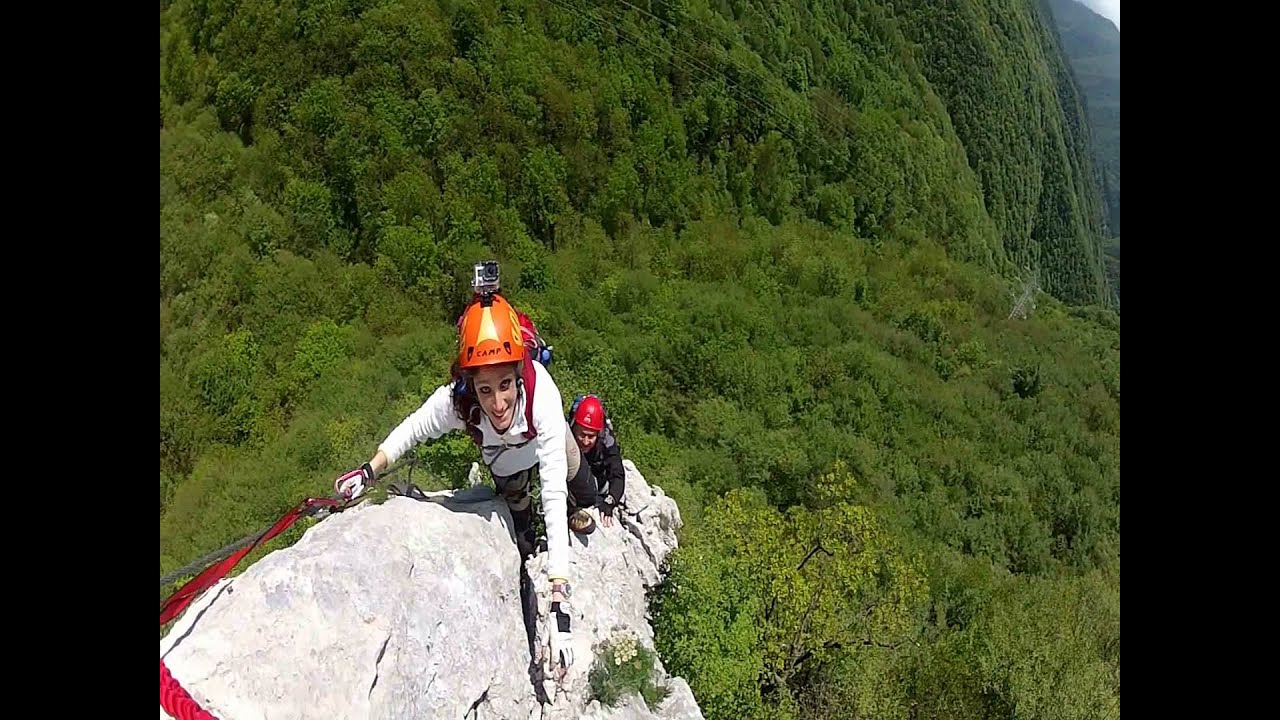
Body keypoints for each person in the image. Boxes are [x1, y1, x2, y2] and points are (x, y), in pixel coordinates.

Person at [332, 291, 595, 675]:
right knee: (520, 526)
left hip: (545, 442)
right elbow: (414, 428)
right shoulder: (460, 402)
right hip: (507, 464)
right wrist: (368, 470)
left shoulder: (543, 396)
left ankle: (592, 501)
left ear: (520, 374)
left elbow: (553, 491)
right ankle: (526, 557)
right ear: (471, 384)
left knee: (581, 486)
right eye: (485, 389)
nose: (498, 403)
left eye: (505, 384)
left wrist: (560, 598)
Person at [568, 395, 626, 528]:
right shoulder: (566, 435)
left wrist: (610, 501)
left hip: (596, 478)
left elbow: (617, 474)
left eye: (591, 436)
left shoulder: (606, 441)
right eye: (582, 434)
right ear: (574, 426)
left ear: (598, 433)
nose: (585, 441)